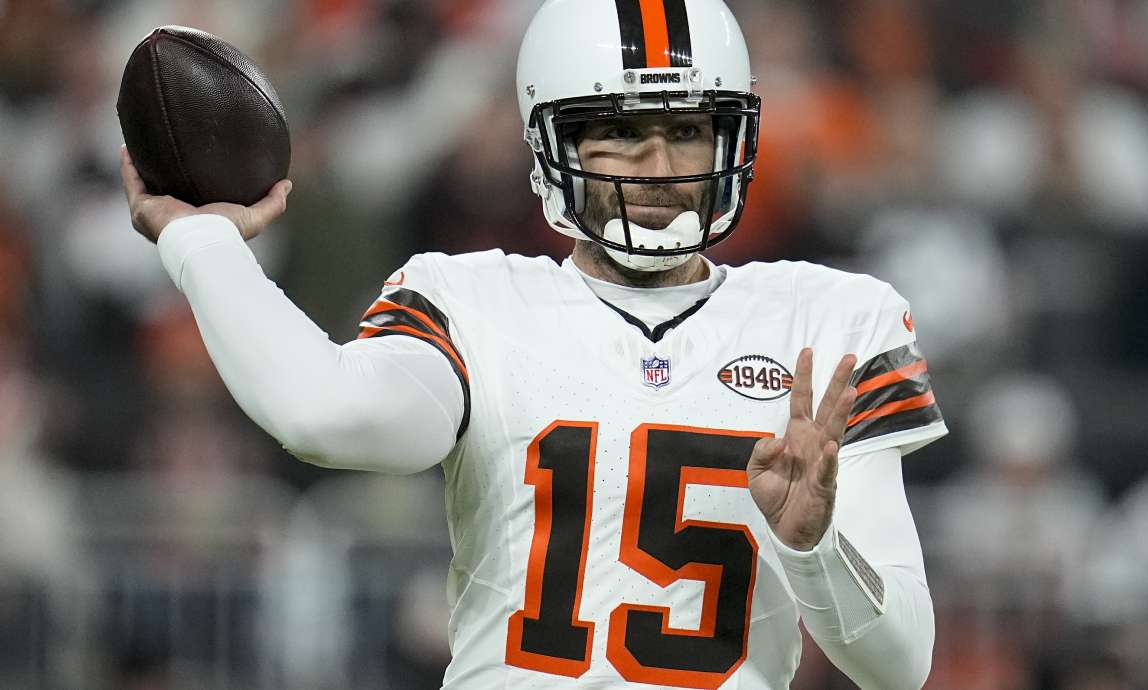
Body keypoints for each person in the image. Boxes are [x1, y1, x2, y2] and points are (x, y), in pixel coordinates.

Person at [120, 0, 946, 687]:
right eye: (618, 133)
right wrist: (205, 246)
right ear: (554, 145)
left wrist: (815, 549)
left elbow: (899, 664)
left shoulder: (830, 318)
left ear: (734, 138)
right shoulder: (472, 300)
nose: (658, 165)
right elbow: (322, 415)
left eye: (688, 130)